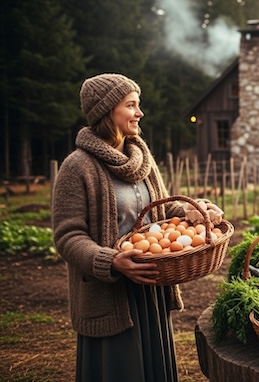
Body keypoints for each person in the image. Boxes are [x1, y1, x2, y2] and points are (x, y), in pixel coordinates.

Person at [52, 73, 185, 382]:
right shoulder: (77, 166)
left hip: (150, 285)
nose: (140, 113)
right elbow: (67, 236)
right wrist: (111, 261)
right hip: (110, 291)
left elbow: (164, 211)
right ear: (107, 110)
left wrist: (194, 209)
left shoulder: (142, 158)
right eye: (131, 105)